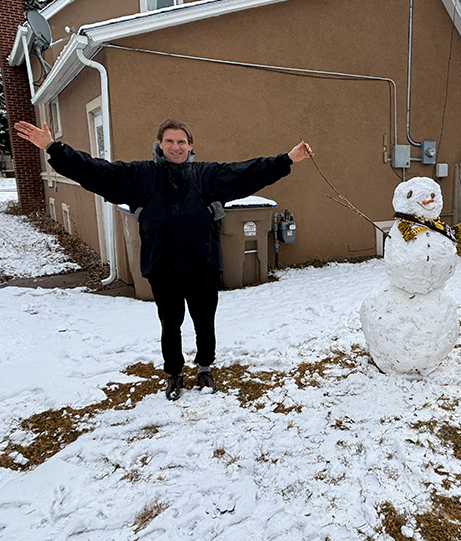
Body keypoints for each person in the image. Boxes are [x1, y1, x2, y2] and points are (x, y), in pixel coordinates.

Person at [15, 118, 313, 401]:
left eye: (181, 141)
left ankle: (205, 369)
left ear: (190, 145)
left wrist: (287, 159)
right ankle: (174, 373)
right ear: (159, 144)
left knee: (204, 322)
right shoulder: (141, 176)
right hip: (163, 266)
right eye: (169, 141)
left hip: (201, 264)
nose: (175, 146)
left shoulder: (206, 175)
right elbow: (98, 172)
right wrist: (54, 149)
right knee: (170, 324)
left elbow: (247, 172)